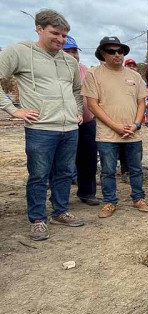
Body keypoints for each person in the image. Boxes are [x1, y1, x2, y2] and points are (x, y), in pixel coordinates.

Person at [0, 9, 84, 241]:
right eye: (54, 33)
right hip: (41, 129)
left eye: (64, 35)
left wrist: (77, 111)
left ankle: (60, 211)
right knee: (38, 175)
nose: (60, 39)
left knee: (65, 172)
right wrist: (13, 109)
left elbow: (76, 90)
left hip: (69, 128)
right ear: (39, 28)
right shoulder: (19, 52)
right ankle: (38, 219)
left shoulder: (69, 61)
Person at [82, 36, 148, 218]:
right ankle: (110, 201)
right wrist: (115, 126)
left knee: (136, 168)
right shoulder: (94, 74)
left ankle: (138, 198)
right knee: (108, 170)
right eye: (111, 51)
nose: (117, 54)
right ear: (102, 53)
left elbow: (141, 103)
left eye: (120, 51)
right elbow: (92, 105)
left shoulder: (134, 76)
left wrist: (136, 125)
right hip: (107, 134)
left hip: (132, 133)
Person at [63, 35, 99, 206]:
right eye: (67, 51)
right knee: (62, 162)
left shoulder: (85, 70)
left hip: (86, 122)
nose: (72, 54)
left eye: (74, 51)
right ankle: (59, 196)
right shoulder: (55, 70)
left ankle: (87, 193)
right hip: (63, 125)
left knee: (88, 159)